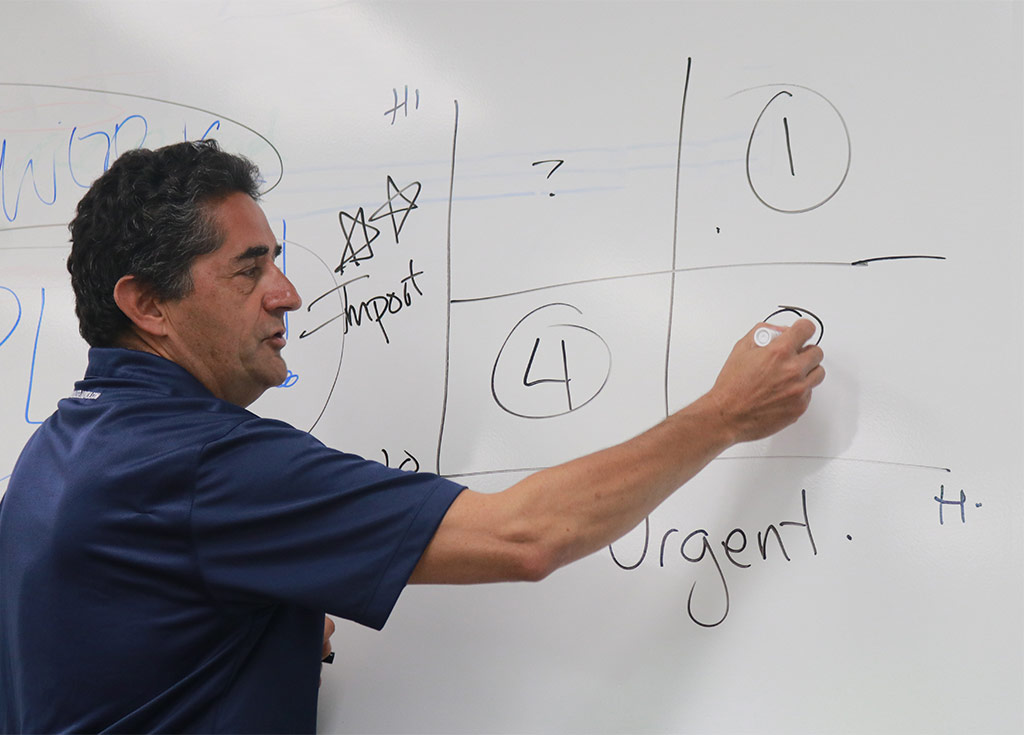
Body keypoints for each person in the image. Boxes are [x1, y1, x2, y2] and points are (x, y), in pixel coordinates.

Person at [0, 140, 824, 734]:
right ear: (146, 304)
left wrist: (257, 624)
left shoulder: (60, 448)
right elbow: (525, 536)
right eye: (248, 269)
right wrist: (724, 414)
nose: (287, 293)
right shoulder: (202, 466)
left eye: (276, 260)